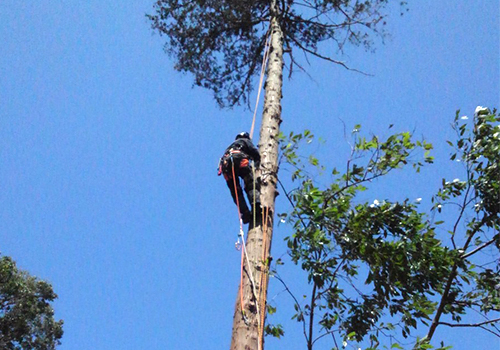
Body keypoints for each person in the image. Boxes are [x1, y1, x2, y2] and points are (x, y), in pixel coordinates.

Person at [218, 132, 261, 224]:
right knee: (251, 184)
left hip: (226, 166)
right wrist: (257, 165)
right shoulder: (245, 141)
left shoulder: (229, 147)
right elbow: (255, 153)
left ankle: (245, 213)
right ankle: (256, 204)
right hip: (239, 160)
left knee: (236, 192)